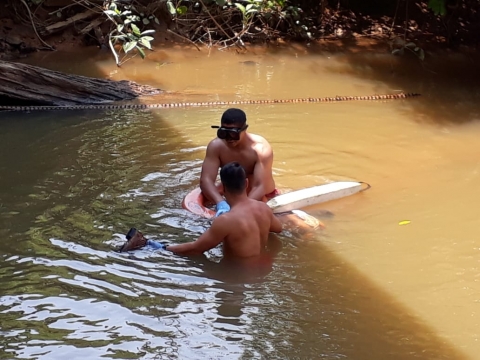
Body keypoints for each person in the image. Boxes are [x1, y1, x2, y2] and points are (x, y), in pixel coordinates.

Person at [119, 162, 283, 260]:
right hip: (262, 269)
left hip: (237, 276)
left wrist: (155, 246)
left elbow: (196, 249)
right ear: (246, 183)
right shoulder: (263, 208)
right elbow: (278, 228)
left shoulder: (226, 221)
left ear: (222, 188)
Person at [200, 108, 278, 217]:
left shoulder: (260, 148)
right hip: (232, 196)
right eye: (224, 133)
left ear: (244, 129)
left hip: (264, 196)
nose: (229, 138)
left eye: (233, 134)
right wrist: (220, 202)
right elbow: (206, 179)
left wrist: (242, 207)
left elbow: (260, 186)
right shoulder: (216, 147)